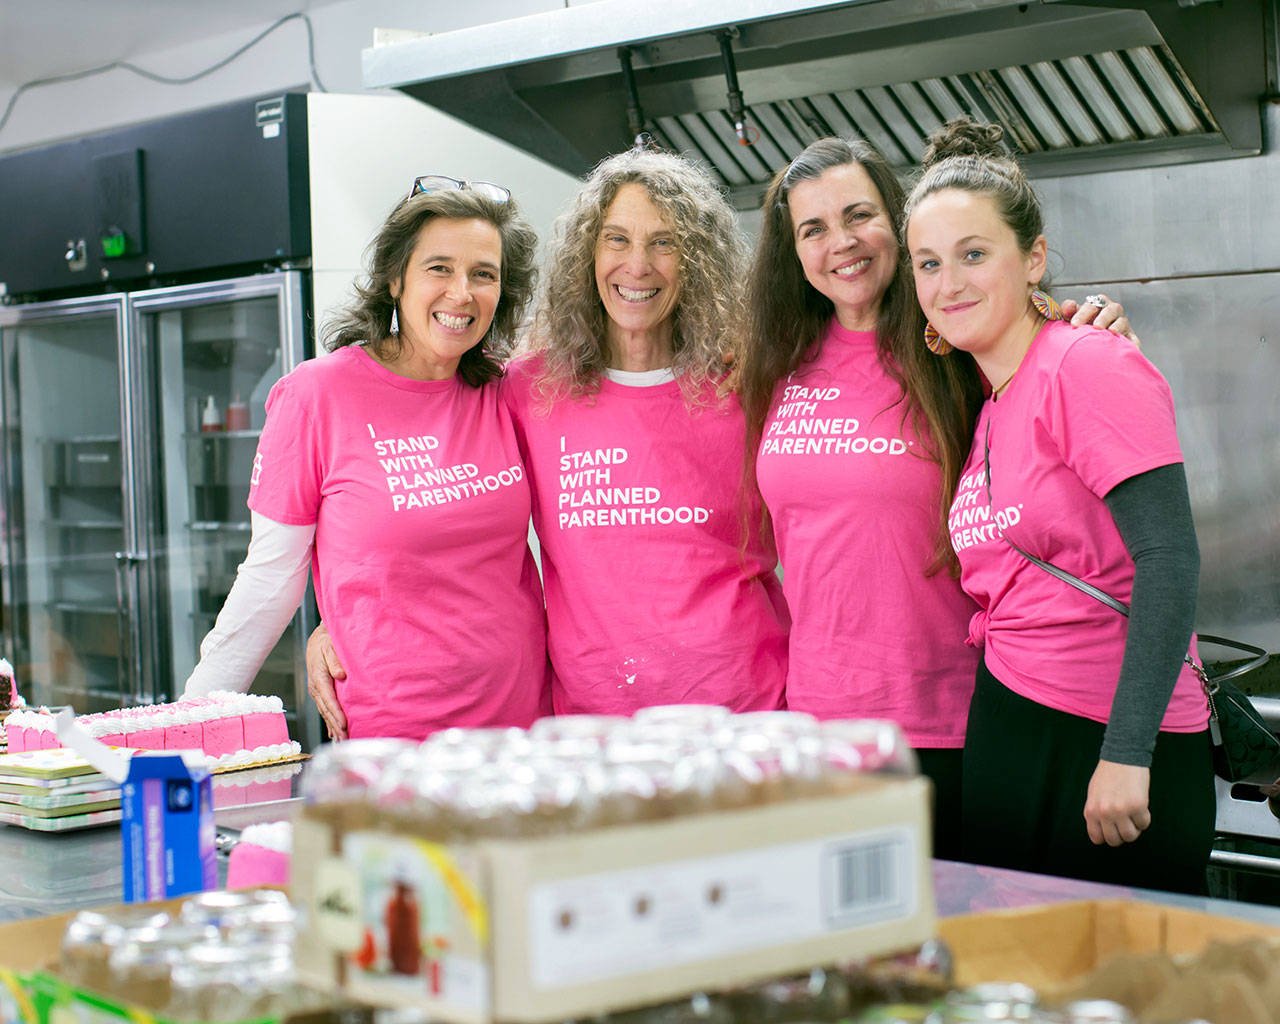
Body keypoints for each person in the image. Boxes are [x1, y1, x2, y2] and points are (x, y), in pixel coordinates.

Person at [735, 137, 1134, 861]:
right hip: (822, 733)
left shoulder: (956, 346)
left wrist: (1095, 322)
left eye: (859, 215)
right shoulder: (776, 363)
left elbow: (1062, 378)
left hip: (954, 717)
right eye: (813, 229)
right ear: (792, 253)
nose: (841, 243)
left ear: (899, 219)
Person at [310, 149, 788, 717]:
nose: (638, 265)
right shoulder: (527, 390)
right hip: (589, 731)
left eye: (665, 242)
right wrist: (332, 624)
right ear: (587, 255)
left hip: (744, 711)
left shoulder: (752, 385)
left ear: (698, 261)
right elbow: (433, 513)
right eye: (616, 239)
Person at [903, 117, 1211, 893]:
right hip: (1016, 722)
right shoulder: (994, 400)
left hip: (1105, 741)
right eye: (929, 264)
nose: (950, 283)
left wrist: (1127, 752)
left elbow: (1170, 560)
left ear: (1033, 257)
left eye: (974, 255)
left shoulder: (1086, 362)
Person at [184, 178, 551, 742]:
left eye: (484, 274)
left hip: (524, 730)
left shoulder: (508, 391)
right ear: (394, 278)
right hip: (393, 736)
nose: (462, 293)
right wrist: (189, 723)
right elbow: (270, 579)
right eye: (439, 268)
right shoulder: (317, 396)